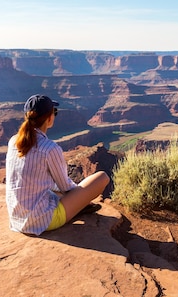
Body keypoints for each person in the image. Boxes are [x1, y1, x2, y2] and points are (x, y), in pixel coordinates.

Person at [6, 94, 110, 235]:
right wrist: (81, 198)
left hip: (16, 218)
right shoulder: (50, 149)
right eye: (54, 112)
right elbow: (66, 187)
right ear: (49, 118)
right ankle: (78, 208)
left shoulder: (13, 141)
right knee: (102, 177)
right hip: (43, 220)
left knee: (55, 191)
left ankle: (76, 206)